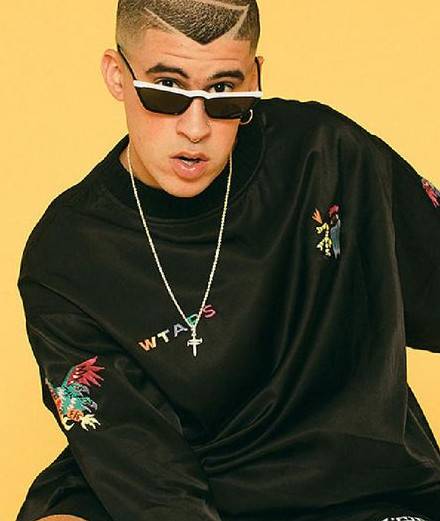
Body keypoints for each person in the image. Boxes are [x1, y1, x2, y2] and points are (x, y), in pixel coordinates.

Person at [16, 1, 440, 521]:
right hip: (151, 481)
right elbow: (140, 469)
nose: (196, 128)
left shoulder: (324, 156)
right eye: (166, 89)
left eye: (222, 92)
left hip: (349, 486)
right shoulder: (68, 255)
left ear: (254, 78)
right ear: (117, 75)